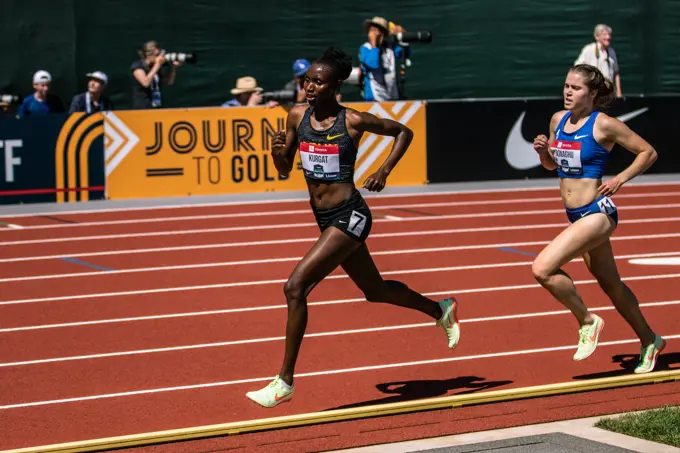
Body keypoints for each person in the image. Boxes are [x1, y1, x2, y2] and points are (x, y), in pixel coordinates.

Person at [245, 47, 460, 408]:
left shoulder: (354, 121)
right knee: (374, 290)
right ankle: (440, 310)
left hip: (352, 215)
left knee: (295, 286)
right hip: (325, 218)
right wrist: (276, 152)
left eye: (318, 81)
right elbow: (284, 169)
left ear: (335, 85)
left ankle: (284, 382)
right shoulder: (296, 116)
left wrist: (383, 171)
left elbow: (403, 131)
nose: (309, 86)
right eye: (307, 80)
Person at [532, 63, 664, 374]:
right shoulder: (558, 120)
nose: (568, 91)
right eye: (566, 85)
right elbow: (553, 167)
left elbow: (648, 152)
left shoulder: (603, 124)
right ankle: (650, 340)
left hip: (598, 213)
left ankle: (588, 321)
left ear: (592, 94)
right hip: (575, 216)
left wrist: (620, 178)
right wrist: (543, 153)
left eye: (575, 88)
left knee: (541, 269)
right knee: (611, 285)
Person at [574, 24, 622, 98]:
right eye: (604, 35)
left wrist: (619, 93)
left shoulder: (611, 51)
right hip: (592, 94)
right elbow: (577, 68)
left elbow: (616, 73)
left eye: (609, 35)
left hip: (607, 94)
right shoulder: (589, 49)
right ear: (597, 37)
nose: (608, 37)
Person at [131, 40, 181, 109]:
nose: (158, 58)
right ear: (148, 55)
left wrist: (174, 68)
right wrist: (157, 64)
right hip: (143, 106)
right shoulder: (138, 66)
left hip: (156, 105)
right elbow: (145, 83)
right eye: (156, 55)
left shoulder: (155, 67)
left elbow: (169, 82)